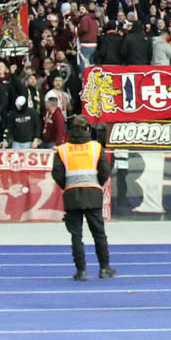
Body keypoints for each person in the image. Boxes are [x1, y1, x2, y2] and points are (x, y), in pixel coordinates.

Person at [50, 115, 115, 281]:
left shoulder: (63, 149)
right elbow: (105, 170)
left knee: (76, 235)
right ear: (88, 129)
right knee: (99, 233)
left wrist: (67, 185)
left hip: (72, 194)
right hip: (92, 193)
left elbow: (56, 173)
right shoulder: (95, 147)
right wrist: (97, 183)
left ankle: (81, 271)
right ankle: (104, 267)